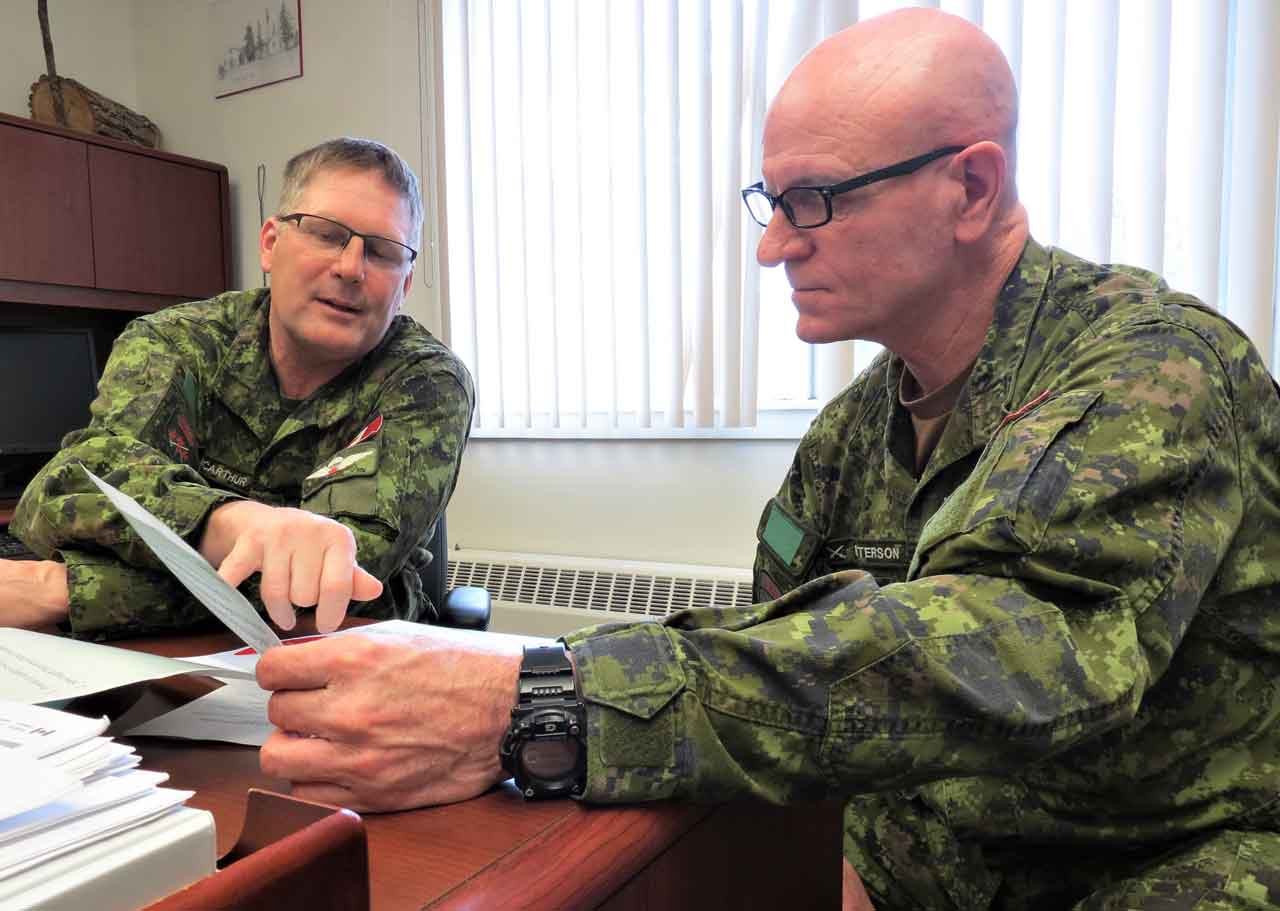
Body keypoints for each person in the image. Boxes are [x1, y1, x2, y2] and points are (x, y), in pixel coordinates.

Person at [256, 10, 1278, 908]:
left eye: (815, 201)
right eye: (772, 201)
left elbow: (1020, 650)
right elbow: (772, 656)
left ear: (969, 187)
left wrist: (540, 700)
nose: (772, 247)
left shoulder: (1152, 364)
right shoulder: (850, 434)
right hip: (914, 856)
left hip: (1147, 858)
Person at [1, 137, 474, 640]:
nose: (350, 268)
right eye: (327, 234)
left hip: (339, 658)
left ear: (403, 285)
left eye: (382, 252)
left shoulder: (427, 382)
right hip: (149, 653)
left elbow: (331, 585)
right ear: (271, 244)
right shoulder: (177, 340)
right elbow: (63, 495)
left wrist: (60, 589)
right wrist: (230, 524)